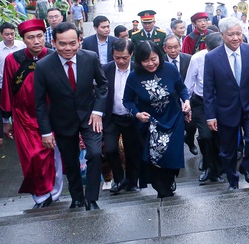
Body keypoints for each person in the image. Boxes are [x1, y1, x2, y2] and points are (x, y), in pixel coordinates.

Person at [35, 22, 108, 210]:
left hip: (90, 116)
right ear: (53, 43)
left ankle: (91, 198)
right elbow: (40, 102)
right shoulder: (43, 66)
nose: (68, 48)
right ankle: (77, 197)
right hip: (62, 120)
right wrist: (45, 131)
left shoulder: (90, 58)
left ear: (79, 42)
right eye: (62, 44)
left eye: (72, 43)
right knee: (70, 159)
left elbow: (102, 85)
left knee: (94, 153)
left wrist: (98, 111)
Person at [1, 19, 63, 209]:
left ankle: (54, 192)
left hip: (52, 117)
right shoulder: (13, 60)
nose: (36, 41)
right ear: (24, 40)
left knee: (54, 157)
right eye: (31, 38)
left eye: (39, 36)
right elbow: (8, 91)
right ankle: (40, 194)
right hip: (24, 117)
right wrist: (5, 119)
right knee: (32, 157)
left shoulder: (55, 56)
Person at [204, 18, 249, 190]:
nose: (235, 38)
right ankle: (233, 179)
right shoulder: (211, 57)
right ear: (222, 35)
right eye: (231, 34)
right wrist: (210, 116)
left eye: (238, 34)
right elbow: (209, 90)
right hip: (225, 109)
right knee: (228, 150)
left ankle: (247, 168)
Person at [123, 41, 190, 198]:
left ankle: (171, 177)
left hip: (172, 118)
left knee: (172, 154)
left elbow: (182, 89)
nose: (150, 63)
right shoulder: (134, 76)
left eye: (153, 59)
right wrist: (137, 114)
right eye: (145, 60)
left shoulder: (170, 69)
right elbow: (127, 101)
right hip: (150, 122)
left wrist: (186, 101)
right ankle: (161, 187)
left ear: (159, 56)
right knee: (154, 157)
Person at [102, 39, 141, 195]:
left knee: (133, 152)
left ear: (131, 54)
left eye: (125, 57)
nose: (121, 61)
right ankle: (119, 179)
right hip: (112, 117)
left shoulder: (138, 69)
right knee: (110, 149)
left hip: (132, 117)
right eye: (117, 57)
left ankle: (132, 182)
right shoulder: (106, 69)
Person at [184, 33, 223, 184]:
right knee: (206, 135)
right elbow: (188, 84)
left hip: (220, 101)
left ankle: (217, 170)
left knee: (218, 136)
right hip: (201, 101)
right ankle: (207, 164)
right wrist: (187, 105)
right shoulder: (197, 59)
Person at [163, 35, 197, 156]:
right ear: (164, 48)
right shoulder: (160, 61)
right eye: (170, 48)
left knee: (191, 125)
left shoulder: (189, 59)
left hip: (187, 98)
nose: (173, 51)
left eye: (176, 47)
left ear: (180, 46)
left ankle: (190, 140)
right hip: (169, 101)